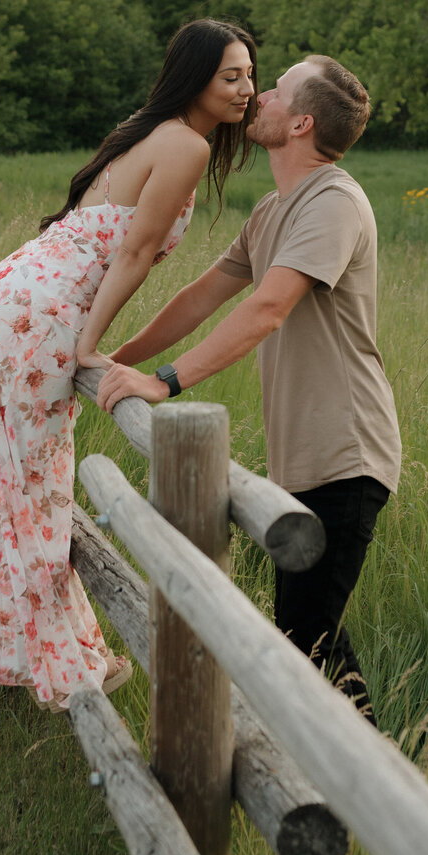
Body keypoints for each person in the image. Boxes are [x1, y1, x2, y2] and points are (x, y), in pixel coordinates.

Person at [0, 19, 257, 711]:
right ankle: (58, 668)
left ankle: (41, 652)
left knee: (11, 480)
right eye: (230, 76)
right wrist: (90, 345)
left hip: (18, 294)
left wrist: (86, 338)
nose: (247, 90)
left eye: (250, 75)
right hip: (41, 311)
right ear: (194, 78)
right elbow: (134, 253)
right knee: (32, 486)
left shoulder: (148, 129)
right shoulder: (182, 143)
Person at [97, 54, 400, 722]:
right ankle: (359, 787)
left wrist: (163, 381)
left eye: (275, 89)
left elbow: (266, 310)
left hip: (347, 453)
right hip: (306, 460)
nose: (257, 95)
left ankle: (371, 798)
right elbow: (201, 297)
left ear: (301, 122)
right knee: (309, 640)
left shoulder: (335, 202)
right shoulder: (272, 210)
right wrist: (108, 357)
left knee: (305, 644)